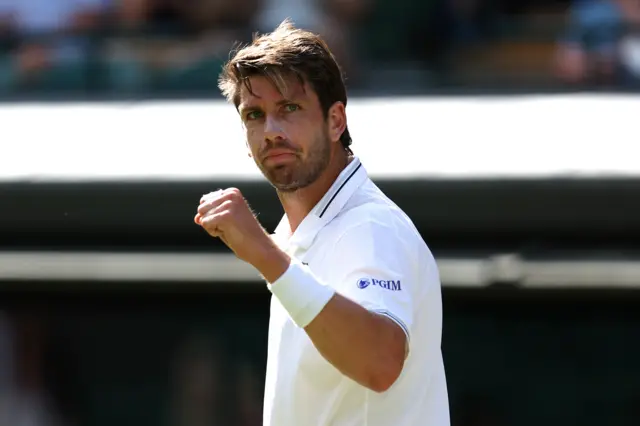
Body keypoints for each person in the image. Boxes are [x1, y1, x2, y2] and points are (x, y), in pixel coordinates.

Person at [193, 19, 450, 426]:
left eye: (289, 108)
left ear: (336, 121)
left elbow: (380, 363)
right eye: (254, 115)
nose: (271, 131)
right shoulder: (298, 234)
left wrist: (265, 257)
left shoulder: (369, 225)